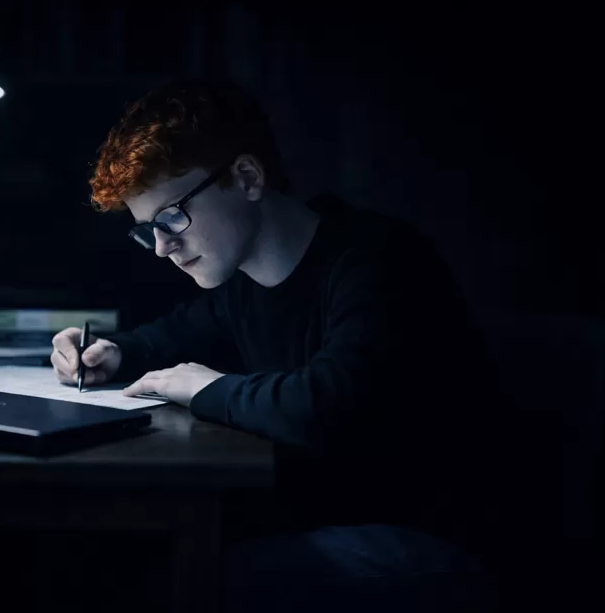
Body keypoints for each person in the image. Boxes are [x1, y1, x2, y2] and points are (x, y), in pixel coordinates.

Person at [50, 80, 507, 611]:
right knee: (116, 559)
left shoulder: (377, 260)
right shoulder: (241, 282)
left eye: (172, 217)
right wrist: (110, 352)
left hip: (427, 541)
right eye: (146, 229)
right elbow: (167, 337)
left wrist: (207, 388)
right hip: (325, 517)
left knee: (174, 584)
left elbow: (328, 404)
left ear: (246, 177)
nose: (160, 247)